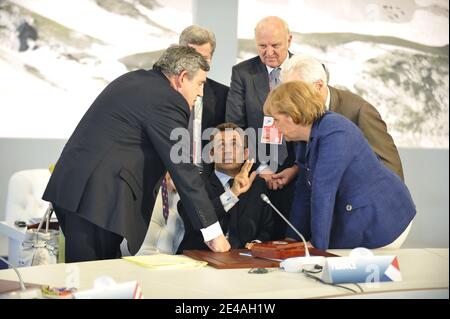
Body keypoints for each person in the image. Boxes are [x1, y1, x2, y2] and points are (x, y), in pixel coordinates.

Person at [42, 46, 231, 262]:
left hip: (76, 190)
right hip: (97, 198)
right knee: (93, 280)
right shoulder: (169, 100)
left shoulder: (135, 80)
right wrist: (213, 233)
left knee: (95, 277)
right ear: (182, 77)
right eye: (199, 84)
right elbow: (183, 169)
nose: (200, 93)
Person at [263, 81, 416, 249]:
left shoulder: (335, 130)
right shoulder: (302, 139)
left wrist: (317, 247)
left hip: (384, 219)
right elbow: (304, 191)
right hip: (357, 214)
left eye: (276, 120)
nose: (274, 127)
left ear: (293, 115)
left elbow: (323, 191)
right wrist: (292, 238)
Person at [225, 16, 297, 239]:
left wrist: (296, 168)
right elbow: (236, 126)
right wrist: (260, 169)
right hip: (257, 175)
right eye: (262, 46)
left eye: (275, 45)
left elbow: (314, 127)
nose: (269, 52)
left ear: (289, 40)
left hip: (298, 173)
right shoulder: (243, 73)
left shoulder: (306, 70)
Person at [280, 54, 404, 180]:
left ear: (318, 86)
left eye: (297, 92)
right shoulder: (300, 110)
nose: (291, 99)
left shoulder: (359, 111)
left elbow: (391, 168)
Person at [177, 123, 274, 251]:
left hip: (243, 262)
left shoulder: (257, 185)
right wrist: (232, 194)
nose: (228, 150)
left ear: (245, 154)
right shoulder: (195, 183)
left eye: (234, 144)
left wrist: (257, 244)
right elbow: (191, 217)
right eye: (221, 145)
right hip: (199, 260)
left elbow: (268, 228)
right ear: (211, 154)